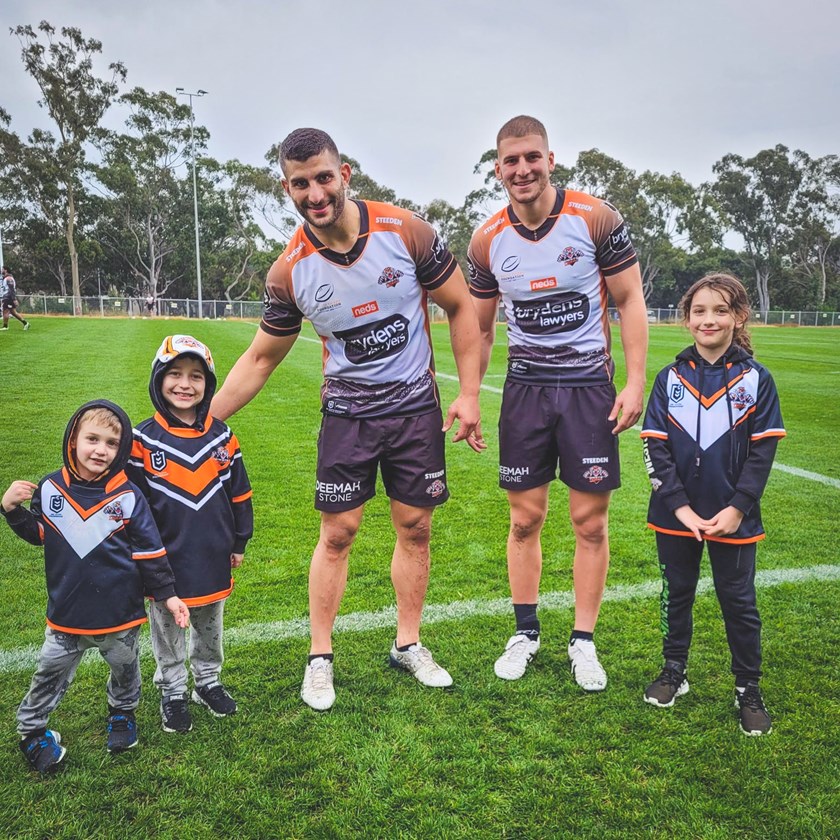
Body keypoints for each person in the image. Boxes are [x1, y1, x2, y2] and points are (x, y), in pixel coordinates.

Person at [211, 127, 482, 711]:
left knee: (416, 529)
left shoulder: (405, 231)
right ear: (287, 187)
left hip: (415, 411)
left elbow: (461, 305)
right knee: (337, 534)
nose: (314, 193)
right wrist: (200, 422)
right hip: (349, 417)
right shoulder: (289, 272)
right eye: (300, 184)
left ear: (346, 174)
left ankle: (407, 644)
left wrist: (471, 395)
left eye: (323, 178)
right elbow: (261, 358)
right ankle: (319, 657)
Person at [467, 115, 648, 690]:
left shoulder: (595, 219)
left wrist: (635, 381)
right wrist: (470, 395)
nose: (522, 169)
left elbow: (630, 301)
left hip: (589, 390)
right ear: (498, 169)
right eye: (511, 161)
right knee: (525, 518)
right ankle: (525, 631)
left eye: (532, 158)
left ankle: (583, 641)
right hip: (525, 391)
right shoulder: (487, 239)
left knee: (588, 520)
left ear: (550, 159)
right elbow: (480, 328)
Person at [0, 400, 190, 771]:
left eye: (111, 443)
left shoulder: (128, 496)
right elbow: (42, 535)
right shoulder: (51, 488)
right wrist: (11, 511)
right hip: (65, 615)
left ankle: (122, 714)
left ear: (121, 451)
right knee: (48, 674)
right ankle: (32, 731)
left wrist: (167, 595)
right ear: (73, 439)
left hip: (119, 615)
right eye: (92, 439)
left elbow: (150, 552)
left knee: (125, 669)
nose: (100, 450)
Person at [640, 273, 785, 736]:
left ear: (738, 317)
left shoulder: (756, 380)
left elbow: (763, 453)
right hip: (675, 515)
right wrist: (680, 507)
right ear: (686, 320)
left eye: (720, 311)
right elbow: (654, 448)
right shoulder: (670, 378)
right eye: (699, 311)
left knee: (738, 602)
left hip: (733, 517)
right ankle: (673, 671)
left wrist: (739, 507)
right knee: (675, 595)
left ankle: (748, 688)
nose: (709, 320)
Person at [127, 335, 253, 733]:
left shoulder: (223, 436)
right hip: (164, 560)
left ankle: (208, 681)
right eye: (175, 374)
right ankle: (173, 688)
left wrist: (240, 540)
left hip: (213, 555)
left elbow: (240, 493)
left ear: (208, 384)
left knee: (210, 623)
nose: (185, 384)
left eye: (196, 376)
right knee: (167, 628)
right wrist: (141, 554)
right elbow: (130, 505)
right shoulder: (141, 439)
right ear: (158, 379)